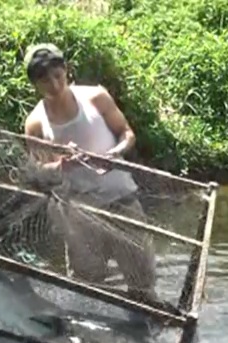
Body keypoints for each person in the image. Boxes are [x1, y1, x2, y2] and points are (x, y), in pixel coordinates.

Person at [21, 43, 158, 305]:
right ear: (35, 85)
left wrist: (114, 154)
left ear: (66, 71)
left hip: (121, 200)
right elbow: (37, 171)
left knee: (142, 279)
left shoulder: (95, 97)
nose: (54, 84)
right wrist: (62, 164)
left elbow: (126, 133)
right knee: (87, 282)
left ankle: (147, 334)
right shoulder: (36, 122)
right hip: (78, 211)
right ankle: (92, 341)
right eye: (44, 80)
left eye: (57, 75)